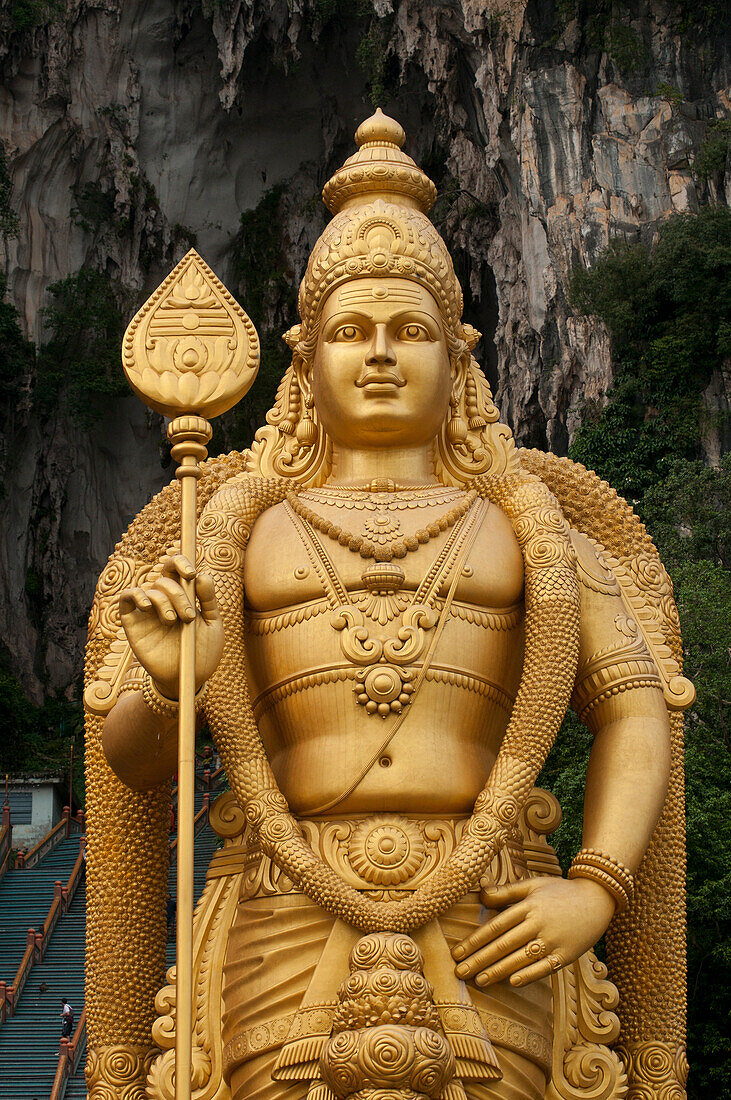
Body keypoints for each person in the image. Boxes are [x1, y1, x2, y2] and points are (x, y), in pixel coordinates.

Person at [87, 111, 692, 1100]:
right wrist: (166, 675)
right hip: (281, 913)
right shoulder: (228, 536)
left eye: (408, 330)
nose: (378, 353)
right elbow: (130, 760)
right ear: (304, 359)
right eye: (350, 331)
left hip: (492, 904)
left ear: (456, 355)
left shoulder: (534, 529)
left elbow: (633, 704)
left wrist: (595, 885)